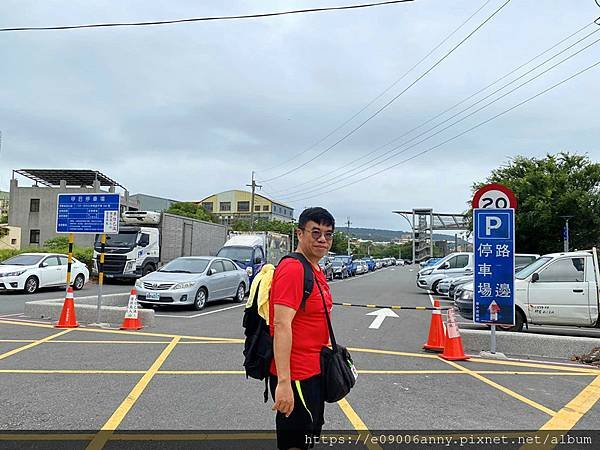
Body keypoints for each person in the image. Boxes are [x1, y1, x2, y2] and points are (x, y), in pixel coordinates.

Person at [269, 207, 335, 450]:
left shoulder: (315, 268)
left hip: (313, 370)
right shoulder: (293, 269)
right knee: (294, 442)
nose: (322, 239)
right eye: (315, 232)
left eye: (328, 234)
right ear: (299, 233)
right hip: (295, 374)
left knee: (307, 435)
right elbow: (281, 324)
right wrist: (284, 383)